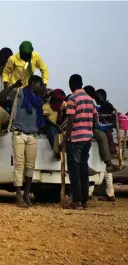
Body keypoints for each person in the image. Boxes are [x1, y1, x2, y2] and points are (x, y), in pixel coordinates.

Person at [7, 75, 45, 208]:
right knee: (19, 164)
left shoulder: (38, 100)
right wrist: (14, 85)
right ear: (33, 83)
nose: (41, 87)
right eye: (40, 84)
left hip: (32, 135)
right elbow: (4, 95)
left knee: (30, 166)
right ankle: (19, 194)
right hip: (19, 132)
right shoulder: (20, 93)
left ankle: (26, 194)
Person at [62, 74, 96, 210]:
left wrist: (65, 139)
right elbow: (95, 119)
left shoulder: (72, 99)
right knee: (83, 169)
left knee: (74, 170)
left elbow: (70, 120)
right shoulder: (90, 99)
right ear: (81, 84)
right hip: (88, 138)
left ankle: (76, 201)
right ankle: (84, 201)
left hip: (76, 138)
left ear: (71, 84)